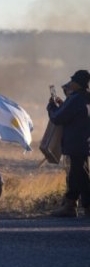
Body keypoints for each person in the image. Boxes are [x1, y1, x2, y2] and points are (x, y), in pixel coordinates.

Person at [47, 70, 90, 217]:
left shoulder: (76, 99)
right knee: (76, 173)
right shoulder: (85, 98)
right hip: (84, 142)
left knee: (80, 174)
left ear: (78, 83)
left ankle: (82, 205)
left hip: (75, 142)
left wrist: (52, 107)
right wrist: (64, 104)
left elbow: (58, 118)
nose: (70, 83)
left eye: (73, 80)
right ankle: (70, 204)